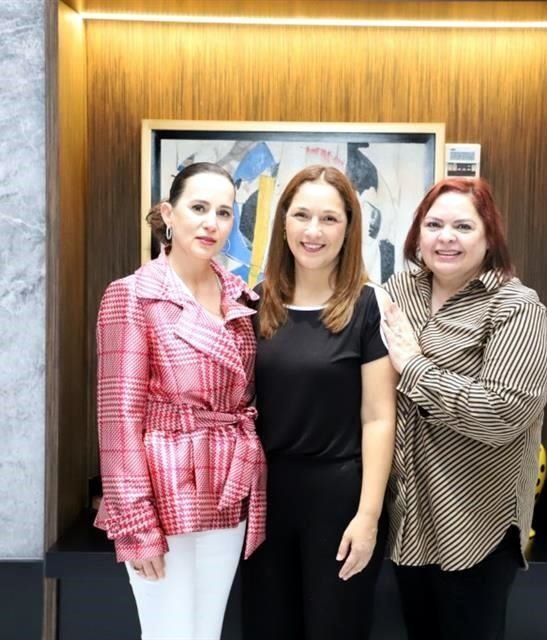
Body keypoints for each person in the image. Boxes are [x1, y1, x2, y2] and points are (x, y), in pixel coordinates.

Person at [94, 162, 266, 640]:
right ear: (169, 213)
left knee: (206, 632)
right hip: (162, 487)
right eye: (198, 208)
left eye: (224, 212)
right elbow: (118, 417)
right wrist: (135, 523)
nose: (212, 222)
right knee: (167, 633)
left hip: (226, 483)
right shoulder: (132, 295)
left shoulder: (241, 298)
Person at [380, 177, 547, 640]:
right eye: (434, 224)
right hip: (406, 517)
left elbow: (503, 413)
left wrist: (414, 367)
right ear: (418, 234)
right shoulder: (400, 290)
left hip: (474, 521)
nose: (446, 237)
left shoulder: (516, 307)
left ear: (489, 236)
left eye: (462, 225)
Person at [241, 165, 397, 640]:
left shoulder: (369, 307)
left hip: (340, 500)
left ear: (350, 227)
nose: (313, 231)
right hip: (264, 501)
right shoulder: (253, 304)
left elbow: (378, 418)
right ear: (283, 220)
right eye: (302, 215)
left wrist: (368, 517)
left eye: (329, 218)